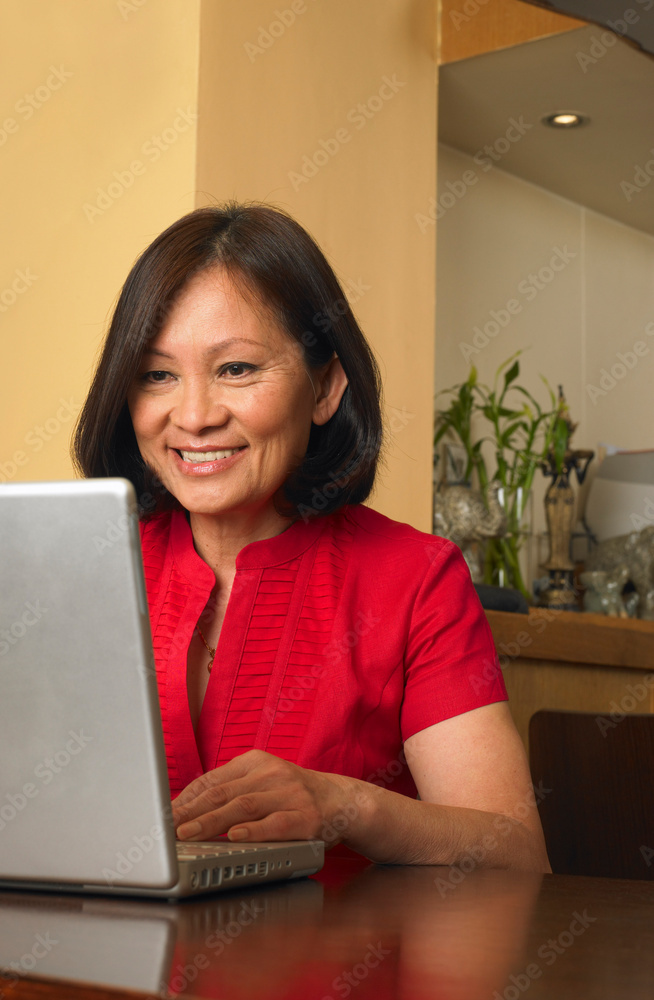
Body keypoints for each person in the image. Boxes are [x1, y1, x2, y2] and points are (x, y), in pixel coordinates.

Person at [74, 202, 550, 871]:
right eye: (157, 374)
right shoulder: (77, 570)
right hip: (102, 973)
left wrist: (342, 805)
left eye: (236, 369)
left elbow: (518, 859)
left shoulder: (416, 579)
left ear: (324, 386)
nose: (194, 415)